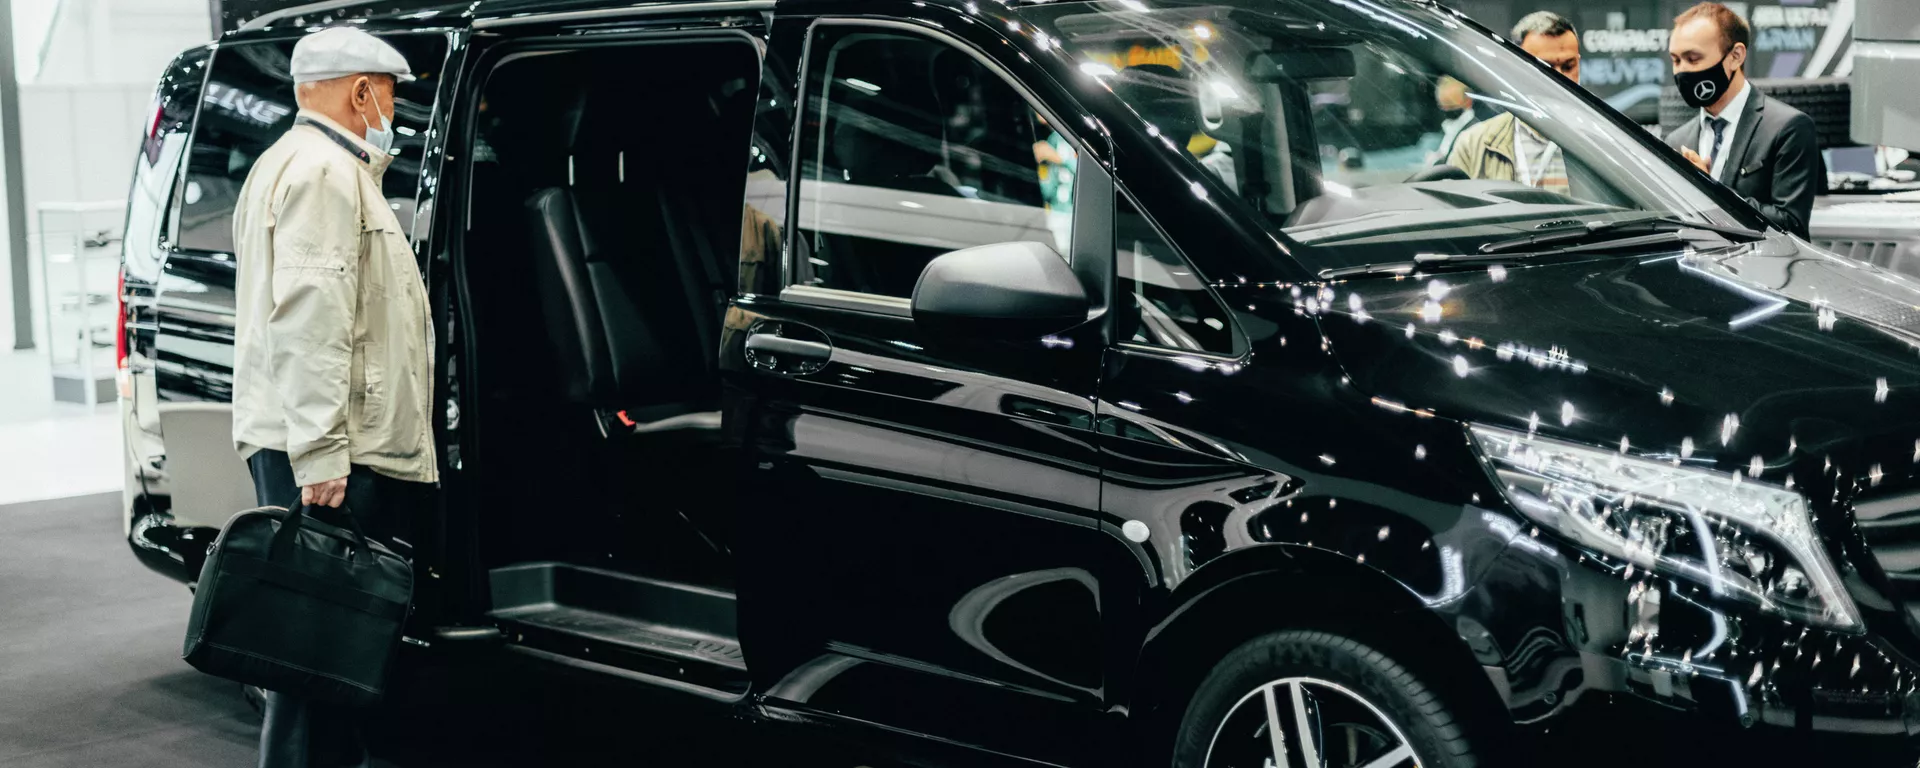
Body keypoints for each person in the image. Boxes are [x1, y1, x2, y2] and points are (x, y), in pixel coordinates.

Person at [229, 26, 435, 768]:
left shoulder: (288, 161)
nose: (394, 110)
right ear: (361, 91)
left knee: (322, 654)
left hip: (316, 443)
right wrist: (320, 455)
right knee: (320, 657)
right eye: (392, 94)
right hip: (333, 453)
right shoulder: (324, 172)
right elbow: (311, 320)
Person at [1664, 2, 1822, 238]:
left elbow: (1791, 224)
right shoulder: (1677, 140)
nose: (1681, 71)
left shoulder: (1788, 128)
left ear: (1735, 56)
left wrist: (1710, 189)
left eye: (1693, 59)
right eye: (1676, 60)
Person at [1447, 11, 1580, 193]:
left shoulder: (1604, 144)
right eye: (1545, 68)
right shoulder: (1473, 146)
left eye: (1568, 66)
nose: (1559, 80)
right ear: (1515, 69)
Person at [1426, 75, 1480, 165]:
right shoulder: (1449, 126)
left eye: (1450, 104)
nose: (1445, 109)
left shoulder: (1474, 131)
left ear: (1468, 101)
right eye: (1441, 105)